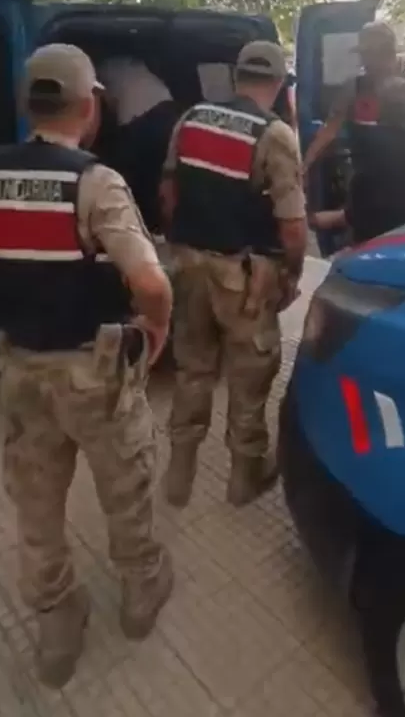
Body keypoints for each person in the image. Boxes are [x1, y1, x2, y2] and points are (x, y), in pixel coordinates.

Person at [0, 43, 174, 688]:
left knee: (36, 500)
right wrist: (156, 328)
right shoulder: (96, 182)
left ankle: (56, 618)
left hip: (22, 371)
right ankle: (140, 591)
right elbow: (151, 282)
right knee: (125, 484)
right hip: (93, 372)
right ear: (90, 106)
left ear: (29, 104)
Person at [159, 42, 308, 509]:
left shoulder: (191, 117)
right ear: (279, 84)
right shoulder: (274, 133)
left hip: (187, 265)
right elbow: (293, 225)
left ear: (236, 76)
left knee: (193, 367)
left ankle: (179, 472)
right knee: (250, 375)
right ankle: (244, 476)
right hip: (243, 276)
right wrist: (291, 274)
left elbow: (168, 192)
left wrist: (184, 244)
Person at [302, 21, 405, 244]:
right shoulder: (355, 88)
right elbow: (330, 129)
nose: (364, 61)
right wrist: (305, 165)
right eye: (363, 55)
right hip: (370, 189)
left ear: (387, 53)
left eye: (368, 54)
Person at [97, 57, 179, 235]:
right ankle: (159, 228)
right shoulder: (136, 64)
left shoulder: (102, 69)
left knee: (130, 176)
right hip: (168, 110)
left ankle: (142, 227)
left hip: (140, 120)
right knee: (158, 173)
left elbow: (103, 107)